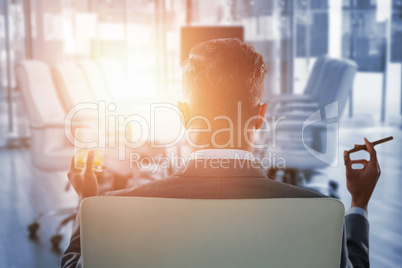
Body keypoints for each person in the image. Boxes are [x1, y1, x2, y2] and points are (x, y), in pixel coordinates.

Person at [62, 39, 381, 268]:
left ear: (184, 115)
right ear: (260, 116)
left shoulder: (115, 212)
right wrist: (359, 204)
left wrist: (86, 201)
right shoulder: (321, 212)